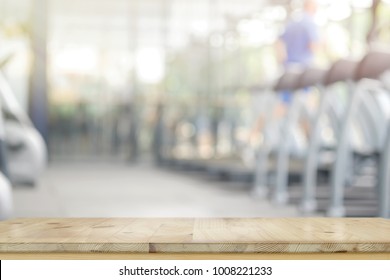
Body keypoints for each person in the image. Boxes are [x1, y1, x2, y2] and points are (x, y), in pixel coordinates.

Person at [276, 0, 320, 67]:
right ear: (311, 7)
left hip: (289, 67)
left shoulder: (292, 23)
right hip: (304, 67)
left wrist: (282, 61)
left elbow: (279, 43)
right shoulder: (310, 23)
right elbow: (313, 46)